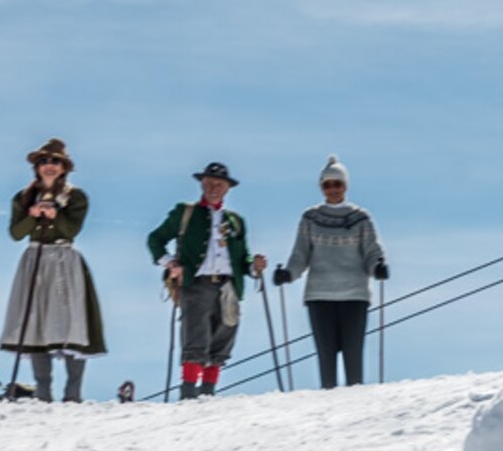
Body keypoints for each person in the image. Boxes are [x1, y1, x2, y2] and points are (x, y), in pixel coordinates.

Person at [146, 162, 268, 400]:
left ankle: (209, 394)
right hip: (196, 283)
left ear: (227, 188)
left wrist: (254, 265)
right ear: (202, 184)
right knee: (195, 337)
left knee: (223, 337)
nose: (213, 188)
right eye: (209, 183)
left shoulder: (235, 221)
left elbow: (243, 258)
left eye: (218, 184)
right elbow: (156, 239)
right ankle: (189, 393)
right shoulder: (186, 212)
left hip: (228, 285)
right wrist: (171, 263)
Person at [0, 138, 106, 403]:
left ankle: (73, 392)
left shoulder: (75, 197)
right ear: (36, 167)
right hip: (35, 258)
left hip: (63, 259)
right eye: (44, 161)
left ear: (64, 167)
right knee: (35, 321)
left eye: (55, 162)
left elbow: (72, 230)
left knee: (72, 323)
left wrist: (56, 214)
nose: (49, 166)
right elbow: (15, 233)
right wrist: (32, 215)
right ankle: (43, 391)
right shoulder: (23, 198)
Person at [274, 156, 387, 389]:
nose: (332, 189)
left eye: (337, 184)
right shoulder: (310, 218)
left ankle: (355, 400)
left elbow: (371, 250)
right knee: (325, 354)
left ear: (345, 186)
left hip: (354, 294)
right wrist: (288, 273)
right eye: (327, 185)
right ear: (321, 188)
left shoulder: (360, 218)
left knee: (353, 351)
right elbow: (300, 253)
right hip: (319, 294)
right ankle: (327, 402)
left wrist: (377, 266)